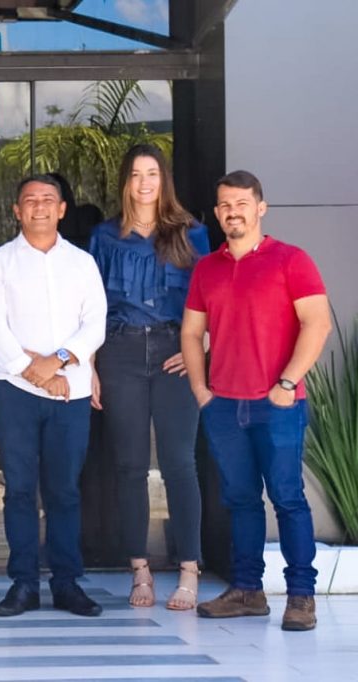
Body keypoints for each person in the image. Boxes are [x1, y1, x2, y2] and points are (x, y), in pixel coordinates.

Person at [182, 170, 331, 631]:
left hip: (278, 404)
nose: (233, 212)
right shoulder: (207, 268)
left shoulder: (291, 260)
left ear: (260, 208)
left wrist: (287, 383)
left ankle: (302, 596)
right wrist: (201, 390)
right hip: (224, 406)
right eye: (225, 205)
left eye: (242, 204)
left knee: (288, 499)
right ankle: (247, 590)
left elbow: (318, 323)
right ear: (217, 212)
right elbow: (191, 332)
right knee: (241, 500)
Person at [0, 174, 107, 618]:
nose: (39, 207)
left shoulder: (82, 263)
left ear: (62, 209)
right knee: (18, 490)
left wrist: (58, 362)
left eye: (48, 200)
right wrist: (35, 373)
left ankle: (67, 583)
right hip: (14, 391)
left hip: (70, 392)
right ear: (17, 210)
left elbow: (95, 324)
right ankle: (23, 584)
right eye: (30, 200)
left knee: (64, 491)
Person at [88, 144, 209, 610]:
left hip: (173, 352)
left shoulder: (192, 233)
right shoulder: (104, 236)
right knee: (130, 465)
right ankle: (139, 569)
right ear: (125, 181)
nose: (144, 183)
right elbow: (89, 306)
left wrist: (200, 345)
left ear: (164, 180)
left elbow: (212, 297)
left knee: (179, 462)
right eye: (136, 174)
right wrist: (91, 366)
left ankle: (189, 568)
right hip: (119, 352)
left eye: (152, 173)